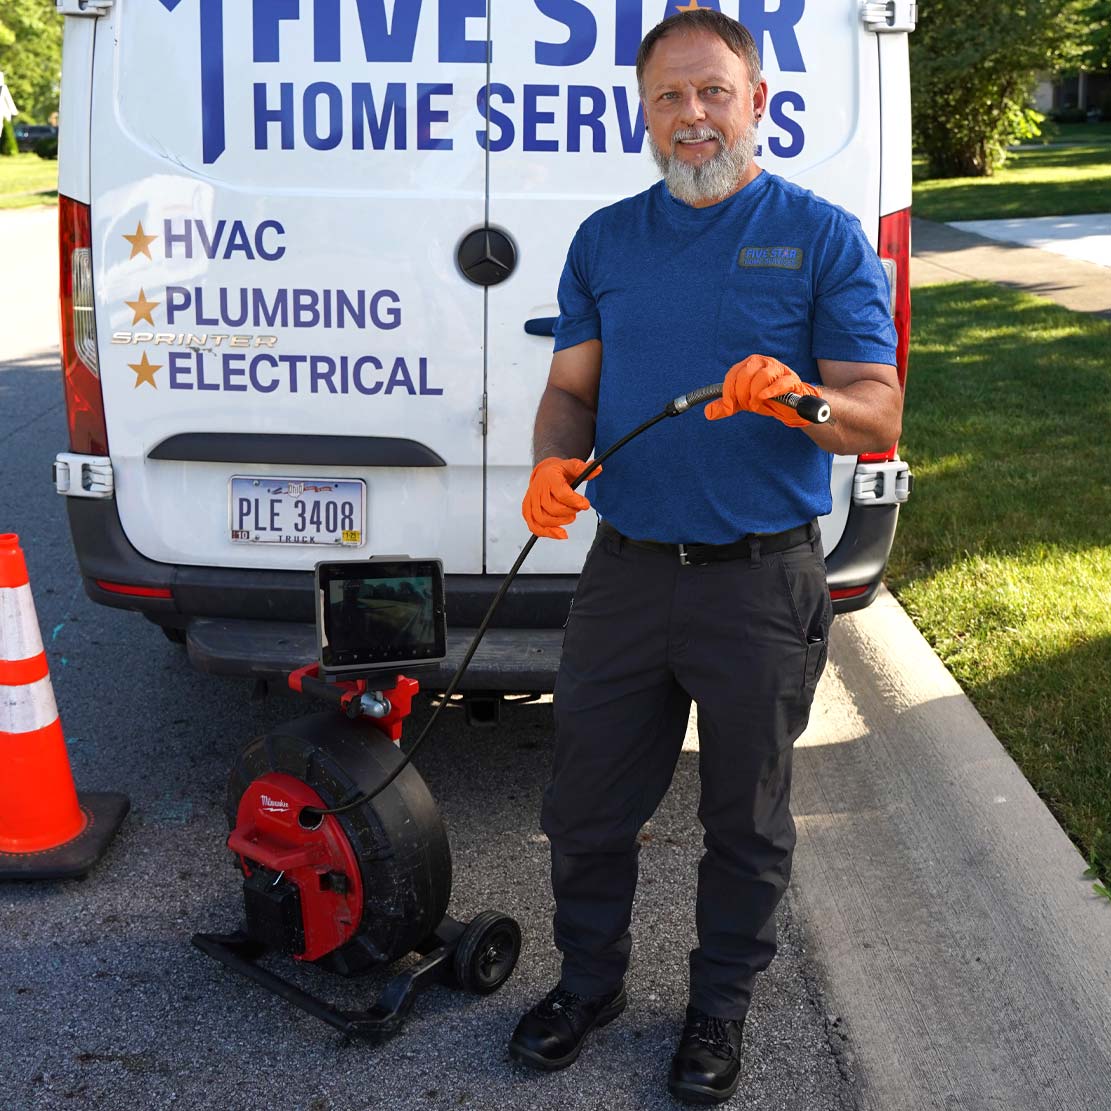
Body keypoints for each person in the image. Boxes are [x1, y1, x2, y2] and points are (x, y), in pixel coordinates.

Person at [507, 8, 903, 1106]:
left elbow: (874, 417)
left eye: (712, 93)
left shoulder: (822, 237)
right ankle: (586, 984)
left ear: (756, 102)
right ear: (642, 113)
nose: (691, 117)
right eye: (668, 98)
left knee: (745, 819)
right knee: (585, 807)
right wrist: (553, 462)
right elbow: (570, 391)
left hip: (758, 583)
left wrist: (798, 395)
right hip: (626, 571)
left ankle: (717, 1008)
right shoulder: (605, 241)